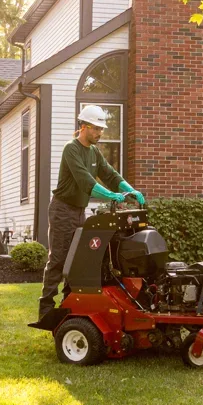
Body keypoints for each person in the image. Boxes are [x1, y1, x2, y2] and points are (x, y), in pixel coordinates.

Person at [38, 105, 144, 318]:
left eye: (101, 129)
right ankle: (46, 307)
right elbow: (85, 181)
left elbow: (111, 175)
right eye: (96, 129)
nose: (100, 133)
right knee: (59, 258)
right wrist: (110, 196)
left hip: (79, 211)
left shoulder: (94, 151)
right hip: (62, 210)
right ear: (84, 127)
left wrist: (130, 190)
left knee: (77, 259)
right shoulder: (72, 149)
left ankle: (68, 303)